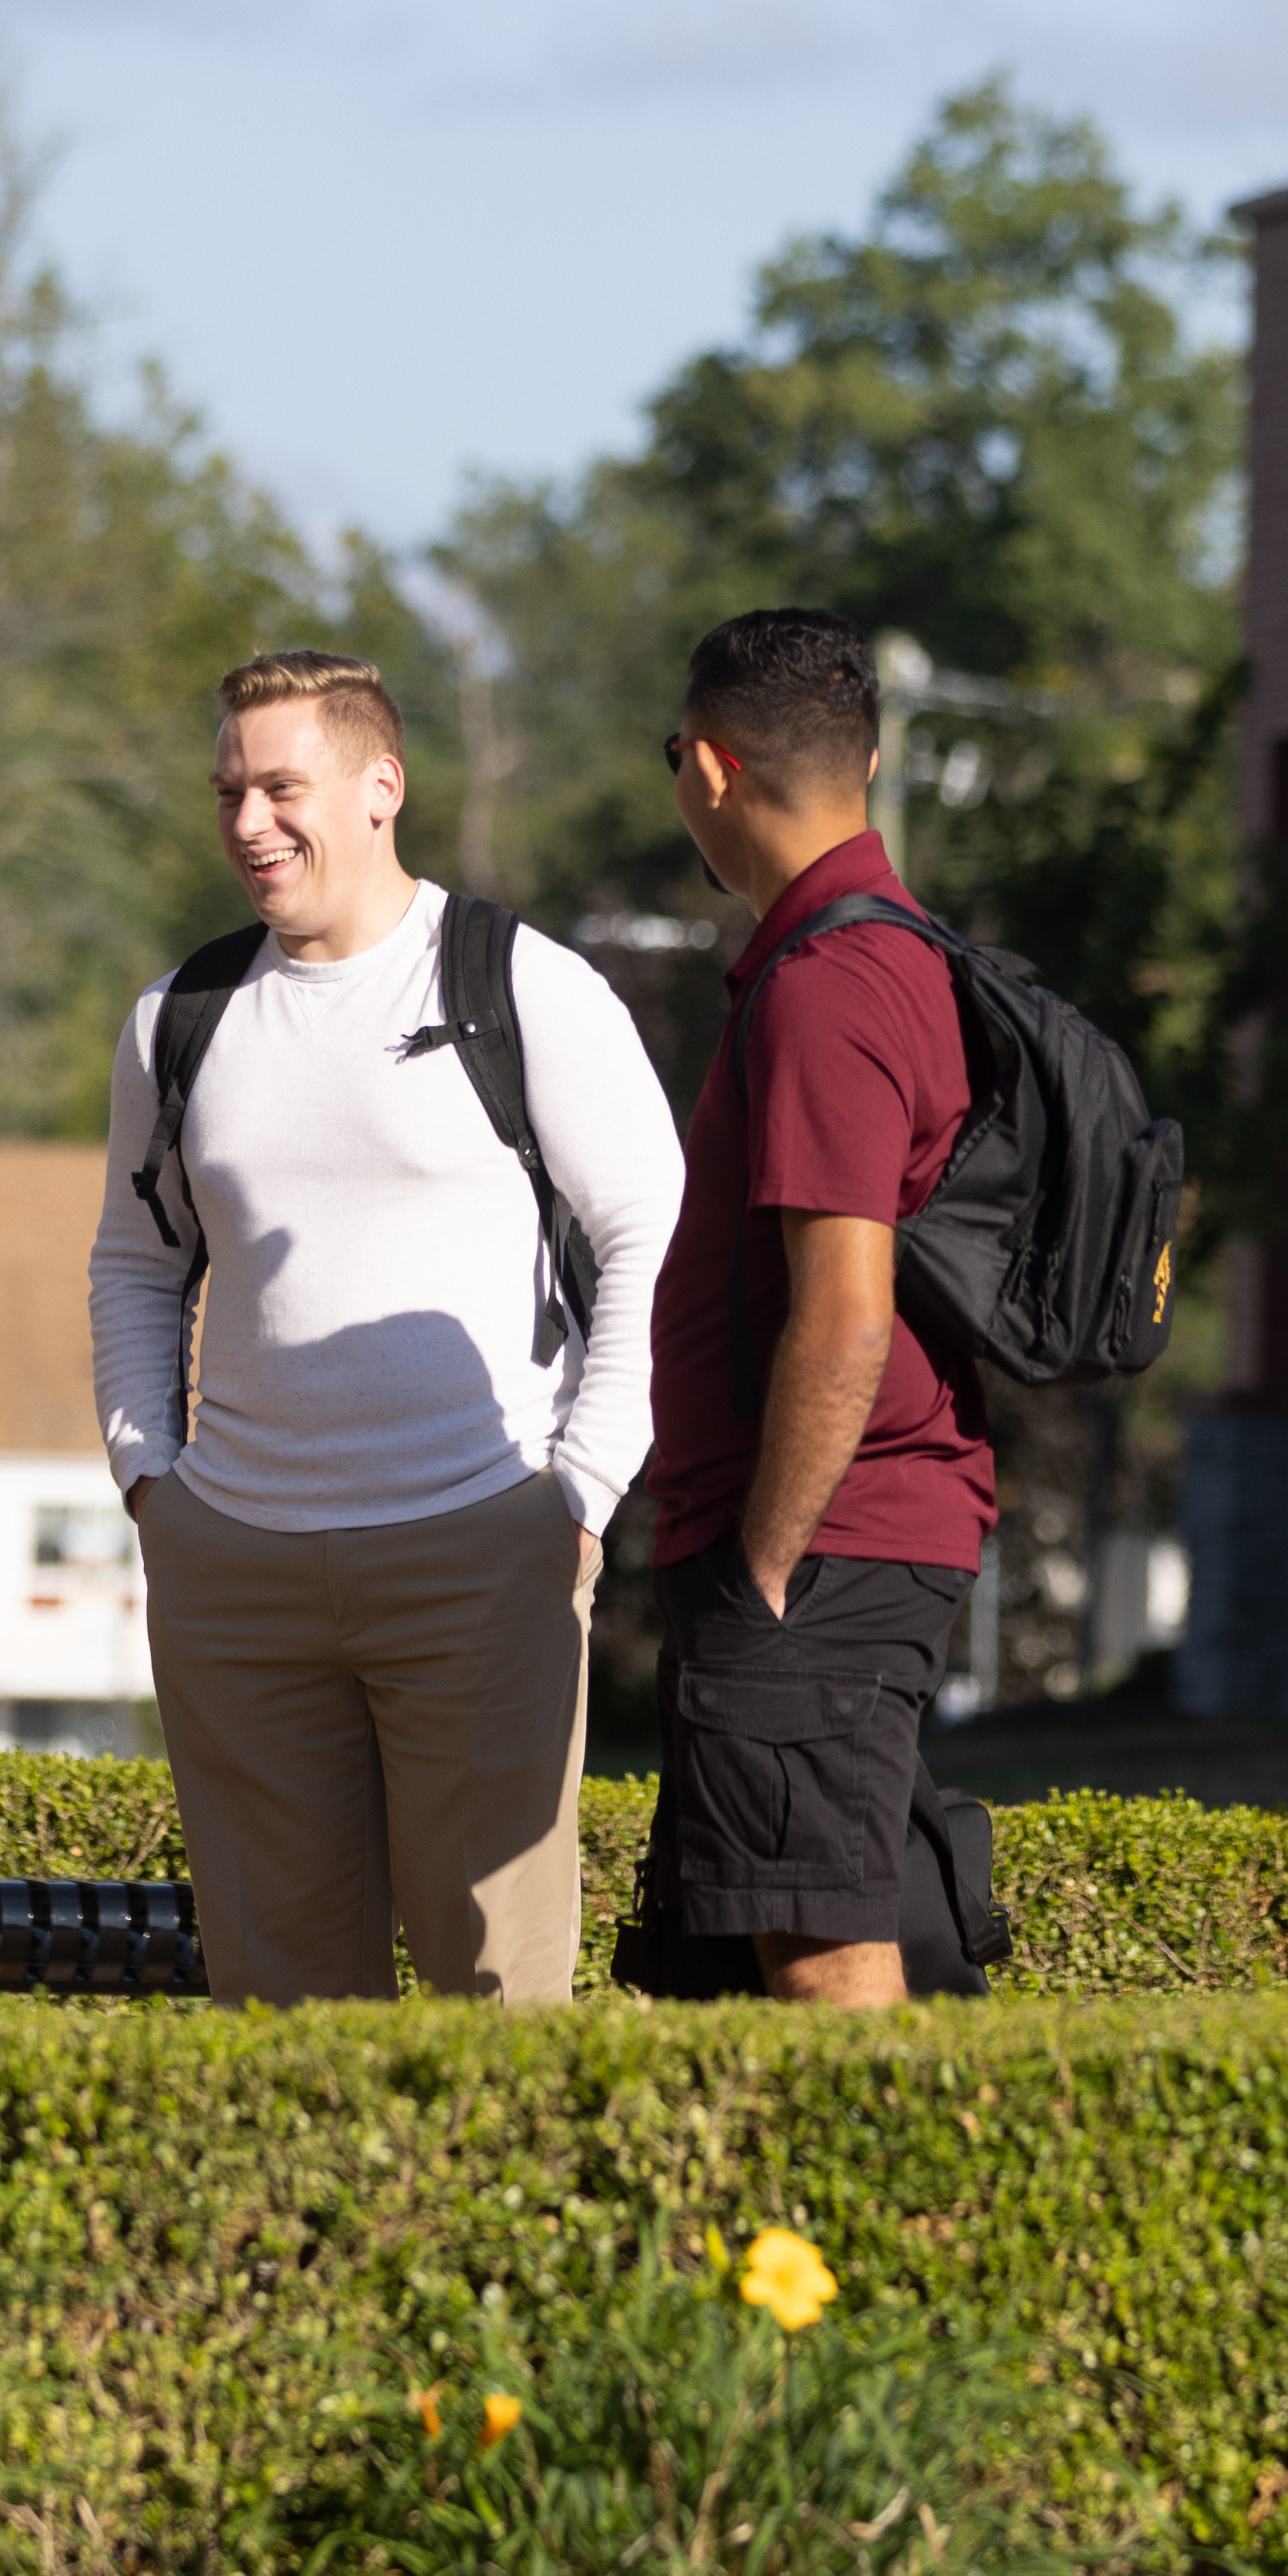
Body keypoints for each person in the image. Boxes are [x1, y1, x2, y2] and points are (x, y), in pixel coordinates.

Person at [86, 649, 685, 2006]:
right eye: (228, 789)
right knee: (276, 2012)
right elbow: (135, 1257)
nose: (247, 821)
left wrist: (579, 1490)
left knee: (501, 2000)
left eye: (281, 786)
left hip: (484, 1545)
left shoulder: (524, 984)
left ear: (379, 787)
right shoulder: (178, 1019)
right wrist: (150, 1481)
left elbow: (653, 1231)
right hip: (231, 1562)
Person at [635, 609, 995, 2007]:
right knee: (772, 1943)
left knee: (819, 1952)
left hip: (825, 1546)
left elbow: (843, 1313)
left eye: (675, 754)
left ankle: (882, 2229)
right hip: (859, 1536)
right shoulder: (885, 951)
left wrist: (764, 1571)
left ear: (712, 769)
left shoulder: (825, 987)